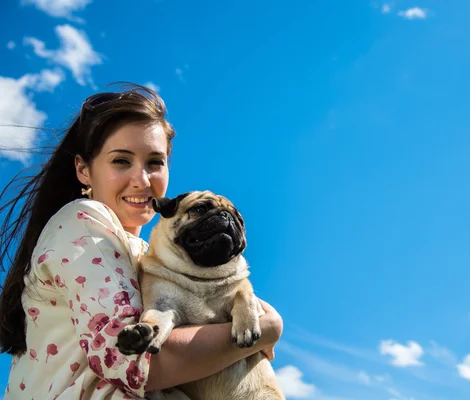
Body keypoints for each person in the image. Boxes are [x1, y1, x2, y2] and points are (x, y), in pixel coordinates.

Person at [0, 84, 283, 399]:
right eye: (121, 160)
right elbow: (131, 361)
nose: (142, 179)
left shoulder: (143, 255)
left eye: (155, 162)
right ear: (83, 169)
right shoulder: (84, 222)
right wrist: (268, 329)